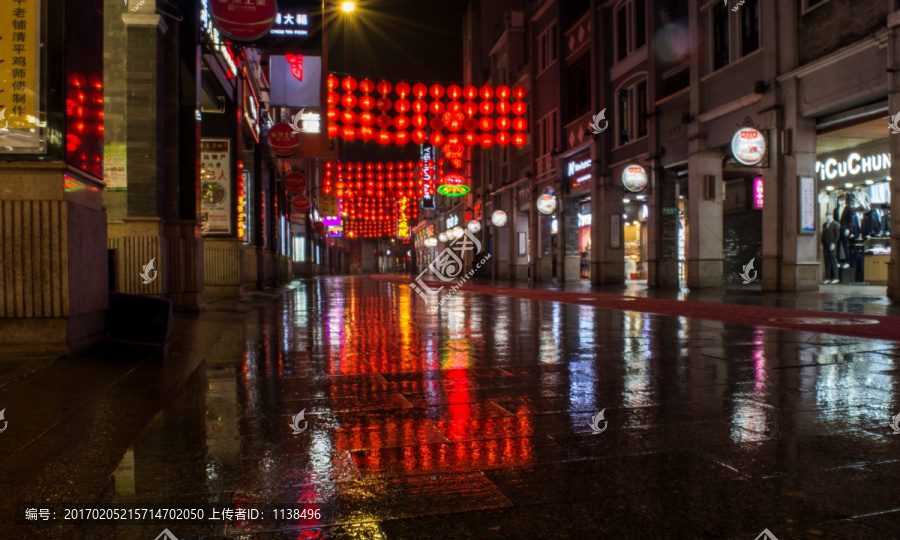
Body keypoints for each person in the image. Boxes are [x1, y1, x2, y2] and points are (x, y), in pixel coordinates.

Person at [822, 214, 840, 284]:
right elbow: (823, 234)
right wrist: (822, 243)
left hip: (832, 244)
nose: (827, 217)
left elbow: (837, 235)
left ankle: (836, 277)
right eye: (826, 215)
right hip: (825, 244)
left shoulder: (835, 224)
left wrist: (834, 243)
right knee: (826, 262)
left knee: (833, 261)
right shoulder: (825, 224)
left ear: (832, 215)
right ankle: (827, 277)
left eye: (828, 215)